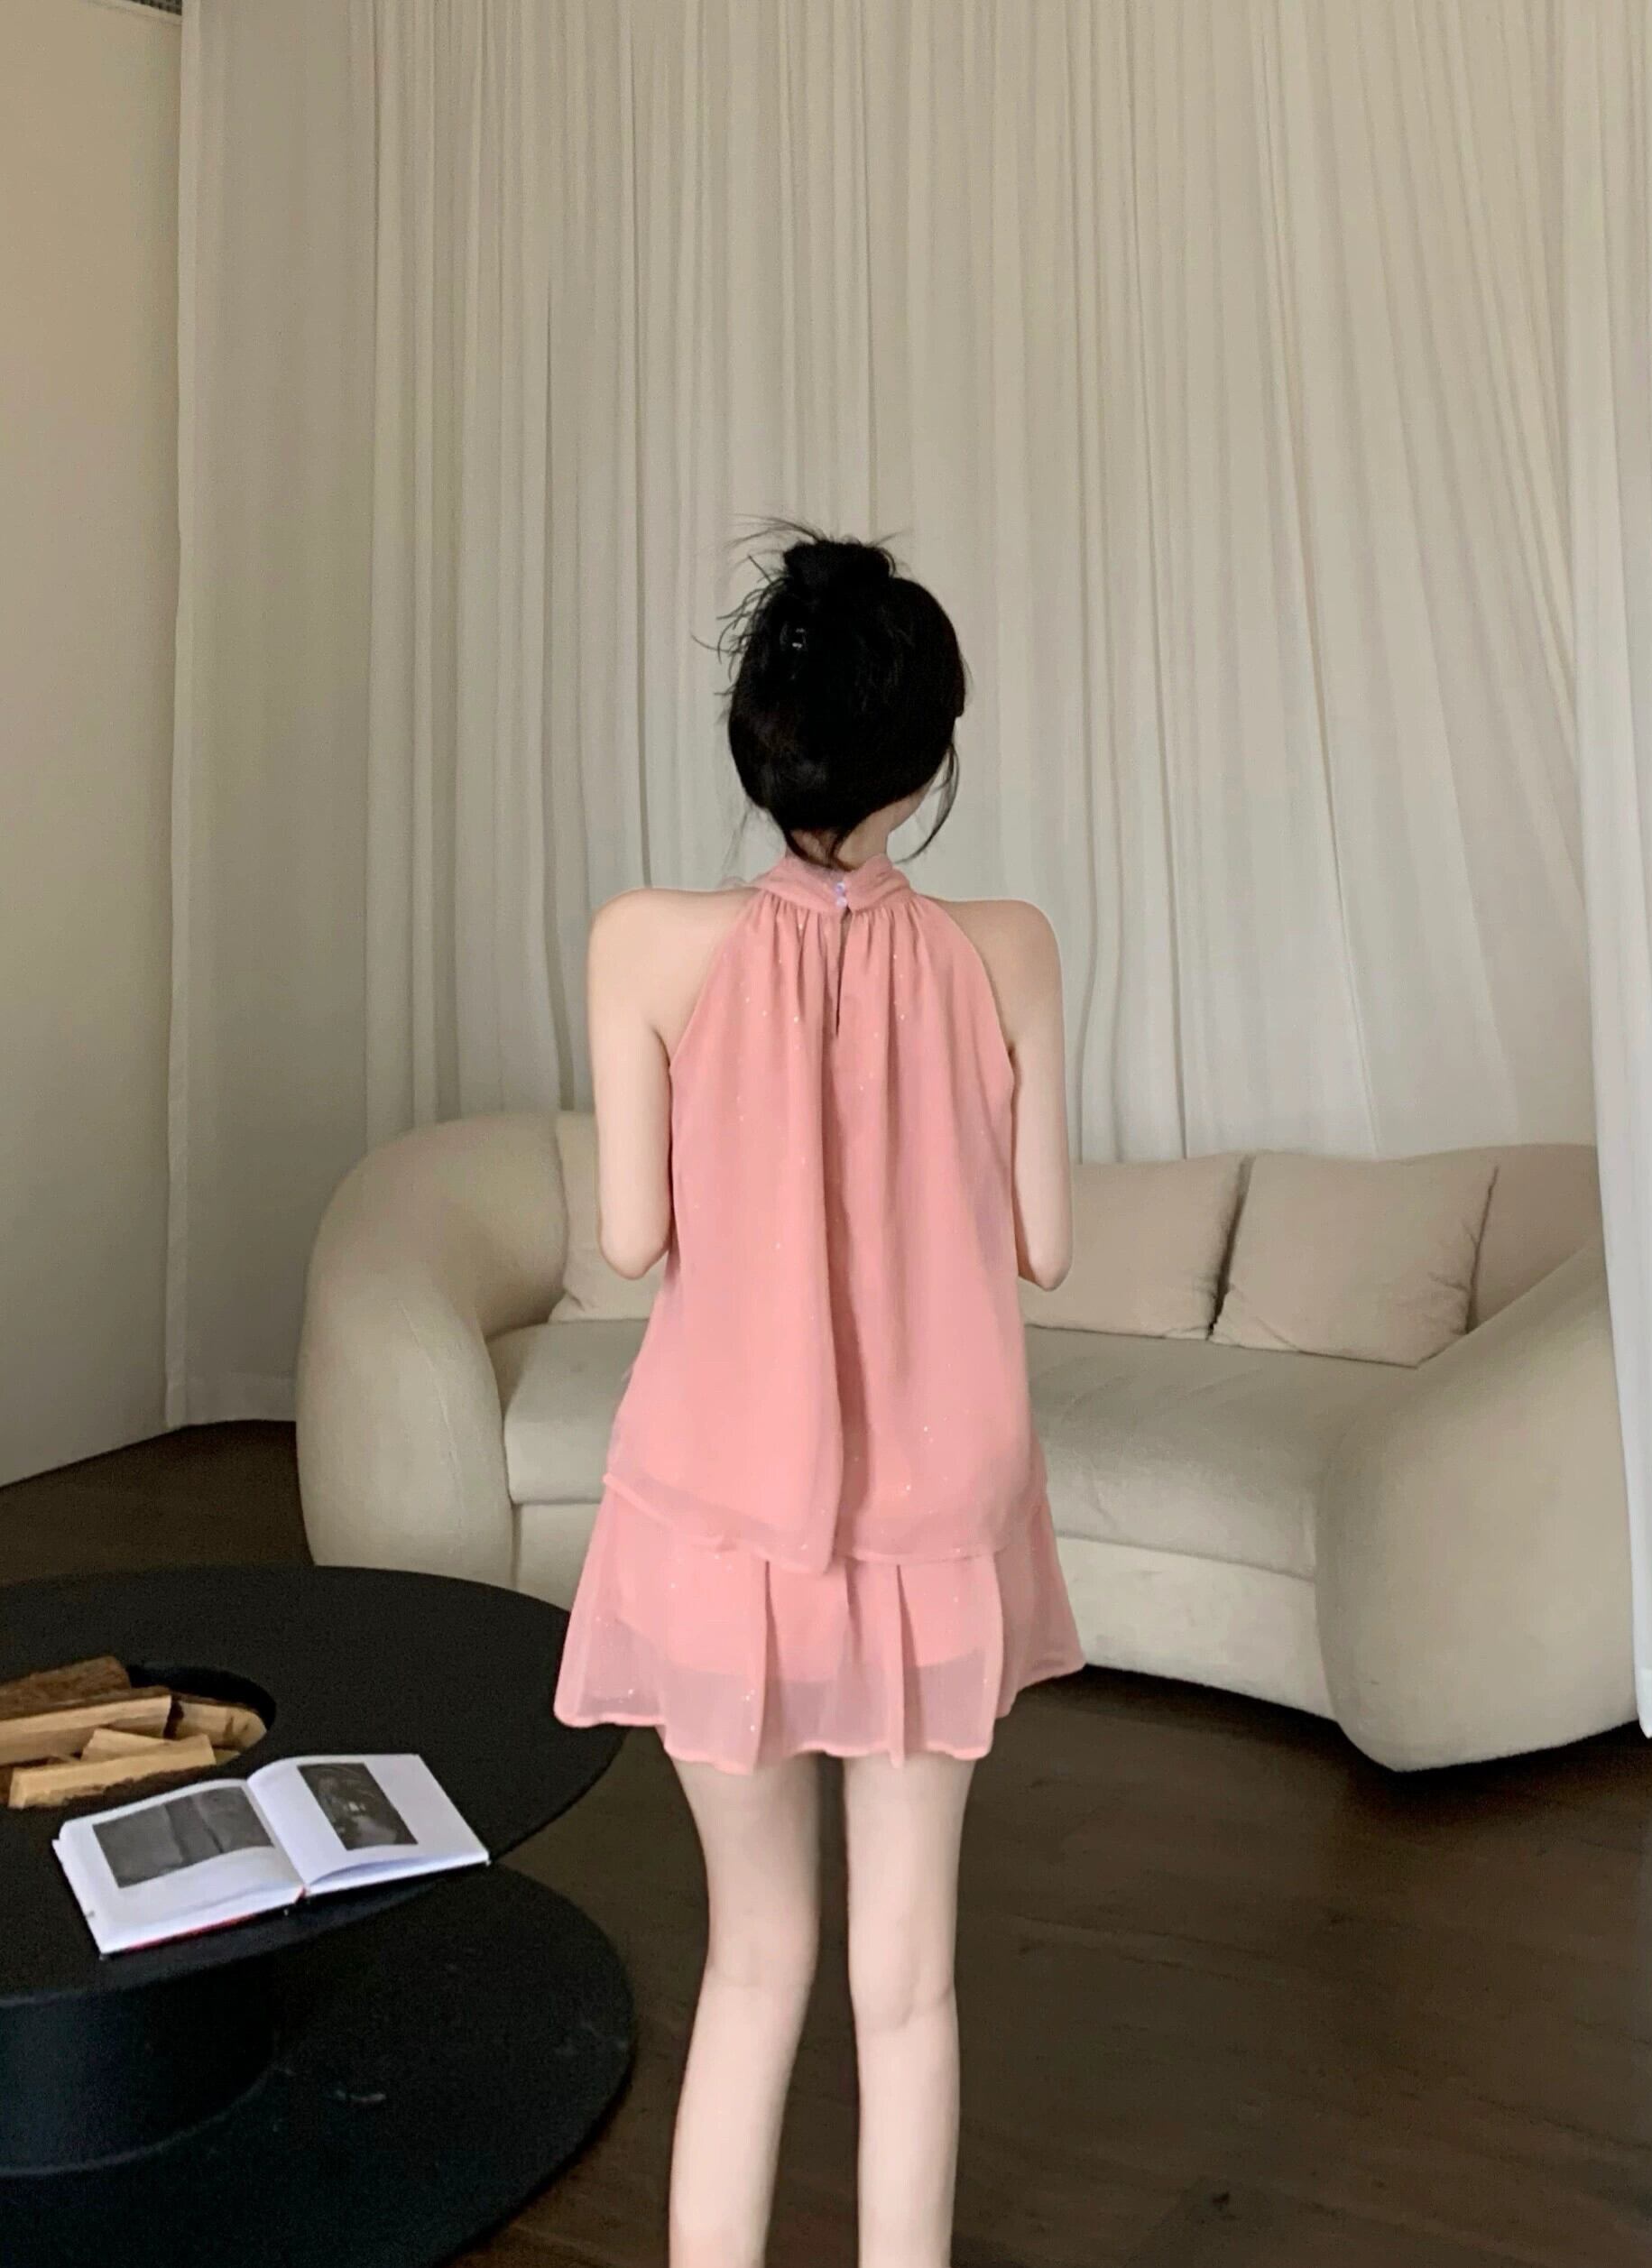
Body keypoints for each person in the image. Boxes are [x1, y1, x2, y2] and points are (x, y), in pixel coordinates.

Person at [554, 526, 1084, 2268]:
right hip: (932, 1532)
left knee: (750, 1963)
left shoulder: (644, 943)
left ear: (759, 741)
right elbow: (1045, 1242)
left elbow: (629, 1236)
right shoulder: (1008, 948)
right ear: (926, 758)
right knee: (906, 1985)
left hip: (722, 1523)